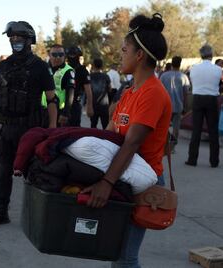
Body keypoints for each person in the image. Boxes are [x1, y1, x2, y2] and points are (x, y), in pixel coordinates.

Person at [81, 13, 171, 267]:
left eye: (124, 50)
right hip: (124, 173)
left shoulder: (152, 93)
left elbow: (132, 143)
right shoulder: (131, 91)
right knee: (116, 253)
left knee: (125, 257)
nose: (120, 55)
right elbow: (111, 134)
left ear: (139, 55)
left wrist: (106, 182)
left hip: (142, 180)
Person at [0, 21, 57, 226]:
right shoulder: (4, 65)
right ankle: (1, 211)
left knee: (35, 174)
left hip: (29, 129)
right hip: (5, 128)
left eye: (19, 38)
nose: (15, 41)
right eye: (12, 37)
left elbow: (52, 99)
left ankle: (37, 216)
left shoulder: (40, 66)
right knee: (3, 170)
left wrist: (52, 128)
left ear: (29, 40)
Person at [185, 44, 222, 168]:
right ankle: (214, 161)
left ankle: (192, 159)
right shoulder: (218, 69)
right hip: (212, 99)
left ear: (201, 55)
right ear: (211, 55)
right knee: (213, 131)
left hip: (198, 99)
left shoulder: (194, 68)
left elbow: (193, 82)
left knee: (196, 130)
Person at [160, 56, 190, 149]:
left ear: (172, 63)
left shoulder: (164, 76)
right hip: (178, 105)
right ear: (180, 64)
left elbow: (159, 91)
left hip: (165, 106)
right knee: (176, 128)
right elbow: (186, 93)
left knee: (164, 127)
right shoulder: (184, 76)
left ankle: (163, 145)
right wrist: (185, 106)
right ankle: (172, 147)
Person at [44, 44, 75, 127]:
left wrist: (66, 113)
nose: (57, 57)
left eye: (61, 55)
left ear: (64, 56)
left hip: (59, 112)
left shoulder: (68, 71)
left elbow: (70, 93)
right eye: (54, 55)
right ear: (49, 55)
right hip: (43, 110)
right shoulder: (45, 68)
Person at [65, 46, 93, 126]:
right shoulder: (64, 69)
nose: (72, 57)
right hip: (63, 103)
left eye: (74, 55)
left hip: (75, 104)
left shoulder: (82, 70)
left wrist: (89, 106)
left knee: (74, 128)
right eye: (70, 55)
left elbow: (88, 89)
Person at [90, 58, 111, 129]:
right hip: (104, 104)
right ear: (102, 66)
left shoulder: (90, 76)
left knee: (93, 125)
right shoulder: (106, 76)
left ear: (93, 65)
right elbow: (110, 89)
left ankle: (93, 140)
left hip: (93, 104)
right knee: (105, 125)